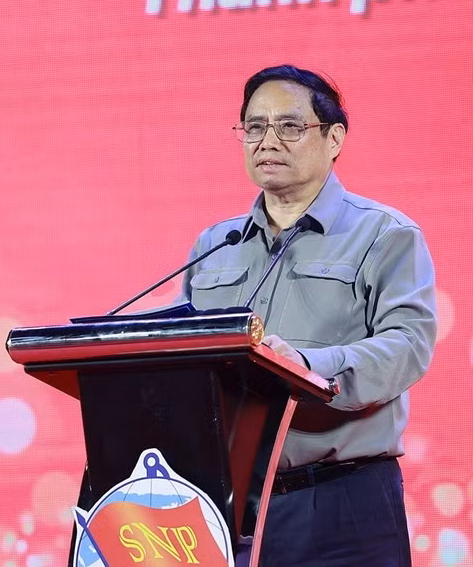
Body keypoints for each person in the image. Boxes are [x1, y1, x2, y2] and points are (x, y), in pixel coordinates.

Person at [180, 65, 437, 566]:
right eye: (255, 127)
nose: (267, 141)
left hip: (341, 497)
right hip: (222, 505)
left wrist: (306, 366)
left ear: (334, 137)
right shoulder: (215, 245)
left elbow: (408, 345)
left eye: (289, 126)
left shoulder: (386, 235)